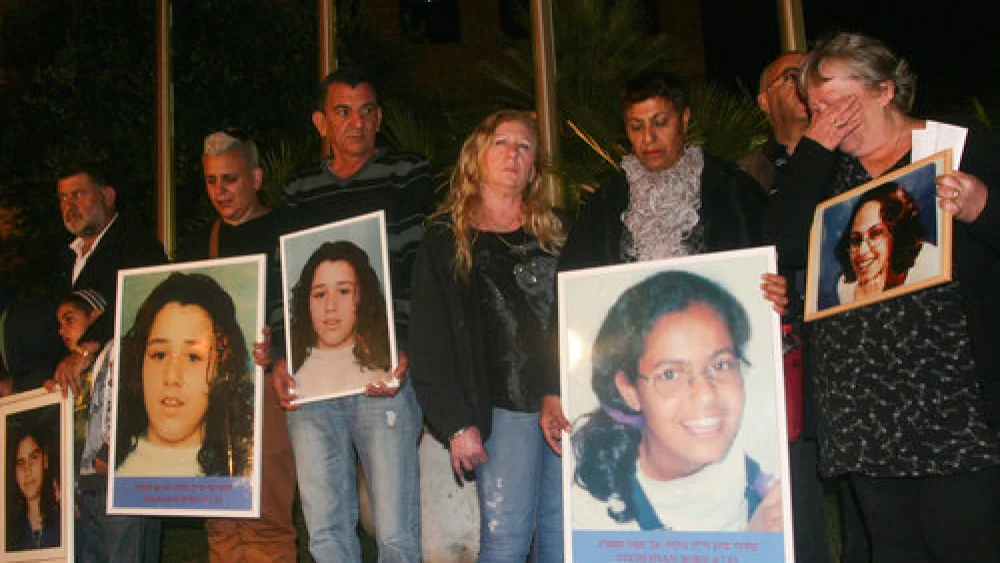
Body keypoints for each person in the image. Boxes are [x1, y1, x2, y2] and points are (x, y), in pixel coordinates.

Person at [767, 32, 1000, 562]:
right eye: (816, 108)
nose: (826, 117)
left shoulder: (957, 145)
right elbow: (781, 242)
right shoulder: (828, 171)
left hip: (951, 408)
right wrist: (813, 150)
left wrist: (981, 204)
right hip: (863, 414)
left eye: (838, 102)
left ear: (884, 90)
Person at [543, 71, 787, 456]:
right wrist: (556, 383)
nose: (648, 138)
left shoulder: (732, 189)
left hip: (724, 374)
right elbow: (571, 298)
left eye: (660, 122)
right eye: (636, 126)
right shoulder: (606, 203)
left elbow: (776, 265)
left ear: (685, 119)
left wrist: (780, 291)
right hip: (639, 382)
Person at [274, 67, 432, 562]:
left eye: (367, 111)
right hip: (312, 382)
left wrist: (400, 346)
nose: (357, 122)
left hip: (382, 376)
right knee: (324, 531)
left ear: (379, 117)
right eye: (343, 111)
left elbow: (419, 265)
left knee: (394, 532)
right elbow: (287, 277)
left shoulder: (409, 173)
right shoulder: (298, 188)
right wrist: (282, 355)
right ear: (321, 122)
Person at [410, 110, 566, 561]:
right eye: (501, 143)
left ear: (534, 166)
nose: (513, 155)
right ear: (477, 156)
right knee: (506, 540)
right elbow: (431, 340)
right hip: (502, 410)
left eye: (524, 147)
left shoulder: (560, 231)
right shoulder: (445, 239)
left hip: (562, 403)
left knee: (559, 538)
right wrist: (456, 423)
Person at [572, 270, 782, 532]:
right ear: (630, 391)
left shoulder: (775, 489)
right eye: (670, 374)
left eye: (721, 365)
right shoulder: (592, 505)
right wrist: (753, 548)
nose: (705, 394)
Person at [177, 129, 298, 562]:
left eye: (230, 179)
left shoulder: (286, 231)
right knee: (221, 522)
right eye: (211, 181)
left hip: (267, 389)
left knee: (267, 521)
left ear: (257, 177)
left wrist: (278, 344)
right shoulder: (200, 244)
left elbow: (309, 307)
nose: (220, 191)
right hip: (213, 397)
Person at [114, 272, 253, 478]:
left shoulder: (237, 473)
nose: (172, 376)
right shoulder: (115, 471)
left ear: (222, 369)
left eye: (193, 357)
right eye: (159, 355)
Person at [52, 162, 166, 399]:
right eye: (63, 198)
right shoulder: (65, 257)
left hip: (126, 388)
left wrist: (85, 350)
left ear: (107, 196)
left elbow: (139, 301)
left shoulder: (136, 245)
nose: (69, 206)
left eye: (78, 195)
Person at [289, 241, 393, 401]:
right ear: (306, 302)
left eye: (344, 291)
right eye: (320, 294)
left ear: (363, 296)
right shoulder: (290, 378)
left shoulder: (386, 371)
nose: (330, 306)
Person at [833, 182, 939, 304]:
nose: (862, 251)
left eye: (875, 234)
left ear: (898, 235)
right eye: (856, 240)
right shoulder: (847, 288)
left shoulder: (931, 264)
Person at [6, 426, 61, 551]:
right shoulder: (10, 533)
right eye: (21, 463)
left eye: (33, 457)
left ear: (45, 460)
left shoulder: (64, 521)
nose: (27, 470)